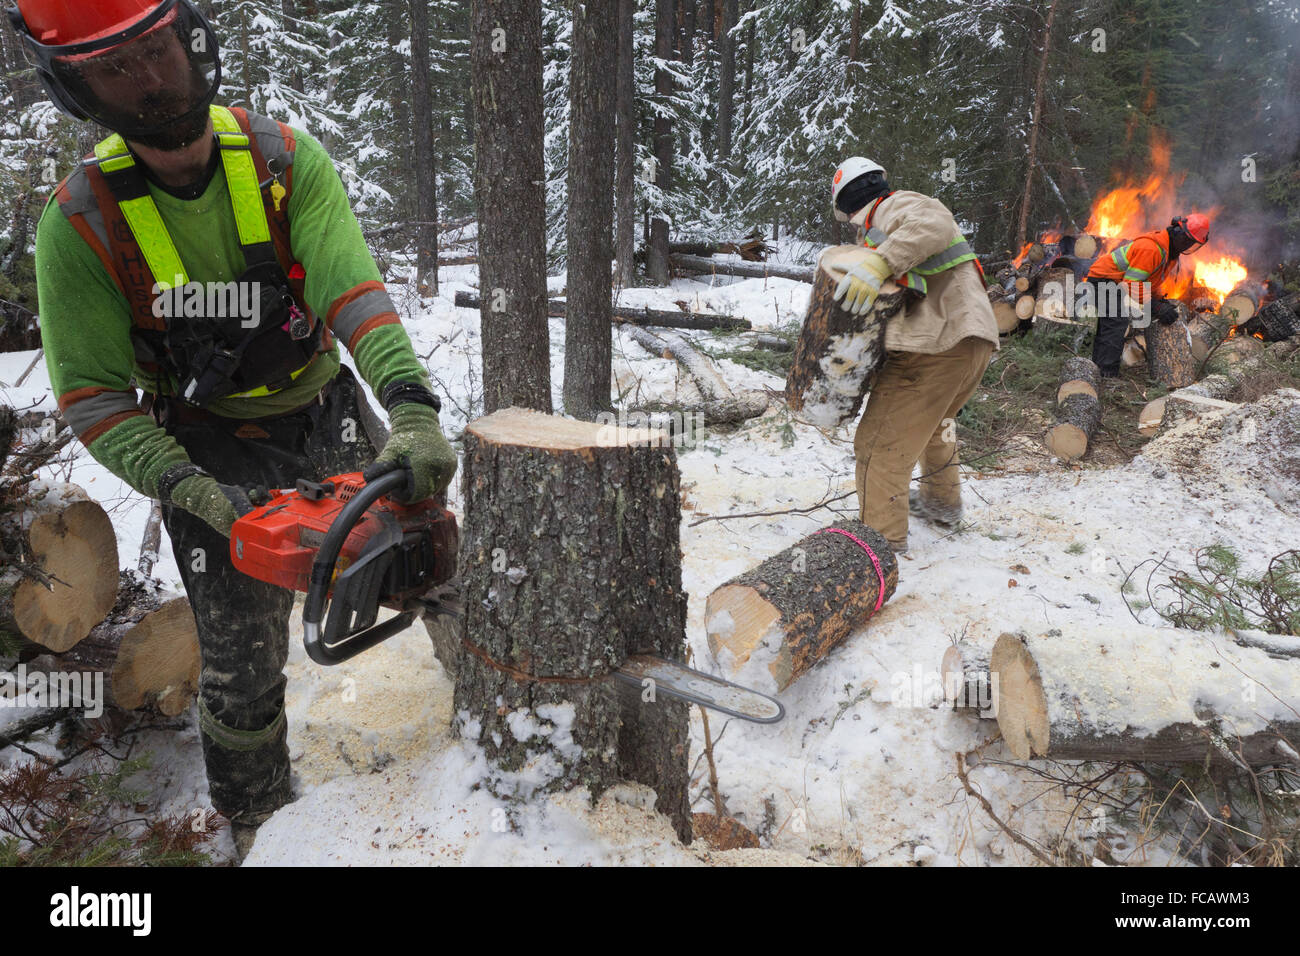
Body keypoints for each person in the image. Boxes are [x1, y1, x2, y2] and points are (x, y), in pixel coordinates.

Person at [13, 0, 457, 860]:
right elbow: (97, 398)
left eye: (154, 49)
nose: (147, 78)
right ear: (77, 86)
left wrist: (408, 405)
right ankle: (258, 819)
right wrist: (188, 490)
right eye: (115, 67)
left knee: (429, 558)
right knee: (240, 661)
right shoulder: (80, 226)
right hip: (201, 442)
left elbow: (351, 289)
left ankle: (507, 723)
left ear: (188, 36)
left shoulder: (284, 161)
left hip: (322, 403)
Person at [827, 156, 1000, 553]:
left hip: (934, 347)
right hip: (970, 340)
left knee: (879, 445)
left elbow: (934, 222)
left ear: (849, 204)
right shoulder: (886, 226)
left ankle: (879, 546)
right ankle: (942, 505)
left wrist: (880, 260)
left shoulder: (892, 208)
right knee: (936, 427)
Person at [1082, 214, 1209, 377]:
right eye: (1186, 240)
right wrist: (1154, 305)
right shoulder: (1151, 249)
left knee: (1111, 322)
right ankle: (1106, 373)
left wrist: (1159, 300)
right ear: (1177, 230)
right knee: (1115, 321)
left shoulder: (1169, 254)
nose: (1187, 245)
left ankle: (1098, 368)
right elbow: (1132, 283)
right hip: (1104, 278)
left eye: (1192, 243)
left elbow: (1151, 281)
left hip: (1115, 281)